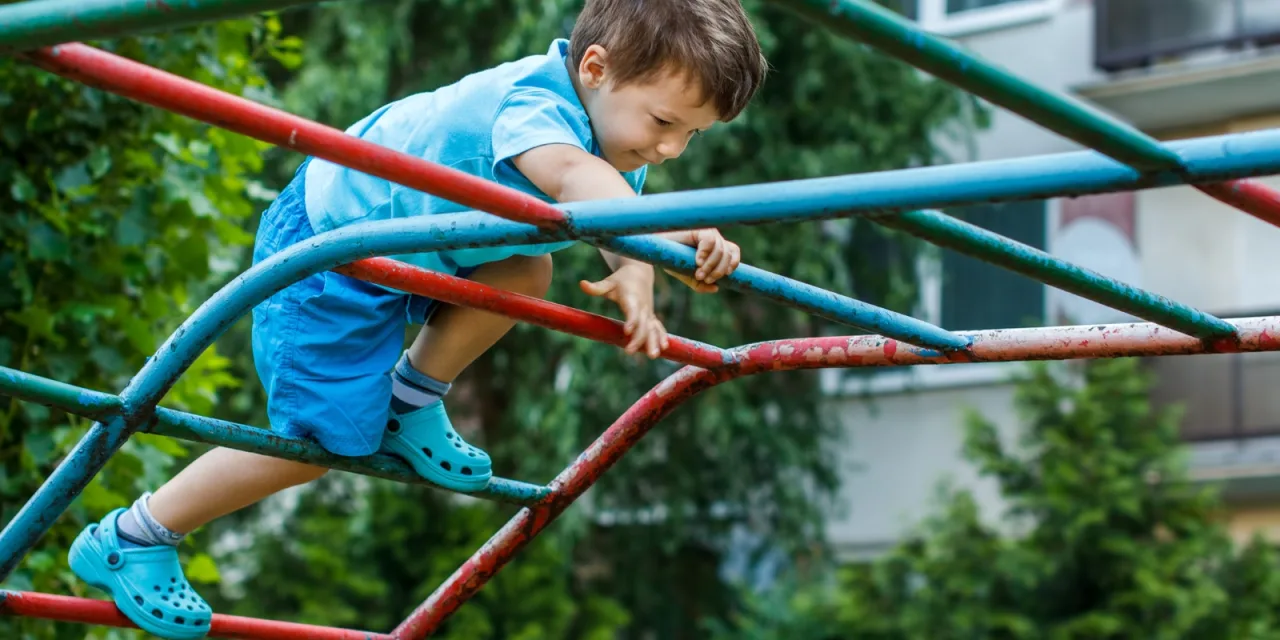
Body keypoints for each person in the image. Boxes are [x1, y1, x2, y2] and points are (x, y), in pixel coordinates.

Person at [66, 0, 767, 637]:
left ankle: (411, 403)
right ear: (594, 68)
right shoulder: (537, 107)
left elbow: (617, 214)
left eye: (693, 136)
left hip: (416, 249)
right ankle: (135, 535)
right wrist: (639, 267)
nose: (671, 150)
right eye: (665, 123)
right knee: (323, 442)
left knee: (527, 269)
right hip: (329, 248)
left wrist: (690, 240)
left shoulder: (611, 138)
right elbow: (586, 192)